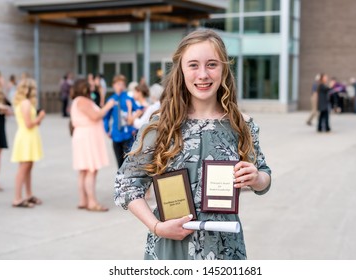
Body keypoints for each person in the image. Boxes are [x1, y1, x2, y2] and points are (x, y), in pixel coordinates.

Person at [114, 29, 272, 260]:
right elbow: (126, 185)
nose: (203, 74)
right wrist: (156, 226)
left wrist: (256, 178)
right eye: (193, 65)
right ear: (181, 70)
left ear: (223, 69)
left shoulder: (242, 124)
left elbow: (264, 176)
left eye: (211, 64)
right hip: (171, 248)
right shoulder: (161, 126)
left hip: (224, 249)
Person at [70, 79, 116, 212]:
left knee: (84, 170)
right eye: (89, 86)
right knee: (91, 169)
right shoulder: (82, 101)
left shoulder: (78, 100)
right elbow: (95, 116)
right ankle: (92, 202)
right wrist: (108, 106)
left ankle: (83, 200)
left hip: (84, 136)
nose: (92, 88)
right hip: (87, 137)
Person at [11, 78, 46, 208]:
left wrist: (38, 119)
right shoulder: (25, 103)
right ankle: (17, 198)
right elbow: (29, 124)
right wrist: (40, 117)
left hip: (29, 136)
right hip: (26, 137)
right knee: (23, 168)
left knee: (28, 167)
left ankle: (28, 194)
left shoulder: (25, 102)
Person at [103, 74, 138, 168]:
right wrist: (106, 130)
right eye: (118, 84)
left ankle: (128, 181)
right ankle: (121, 181)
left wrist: (134, 126)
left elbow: (139, 110)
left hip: (128, 134)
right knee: (119, 164)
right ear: (113, 85)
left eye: (122, 84)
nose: (120, 86)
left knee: (128, 163)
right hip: (116, 134)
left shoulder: (128, 99)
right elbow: (106, 117)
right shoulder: (111, 100)